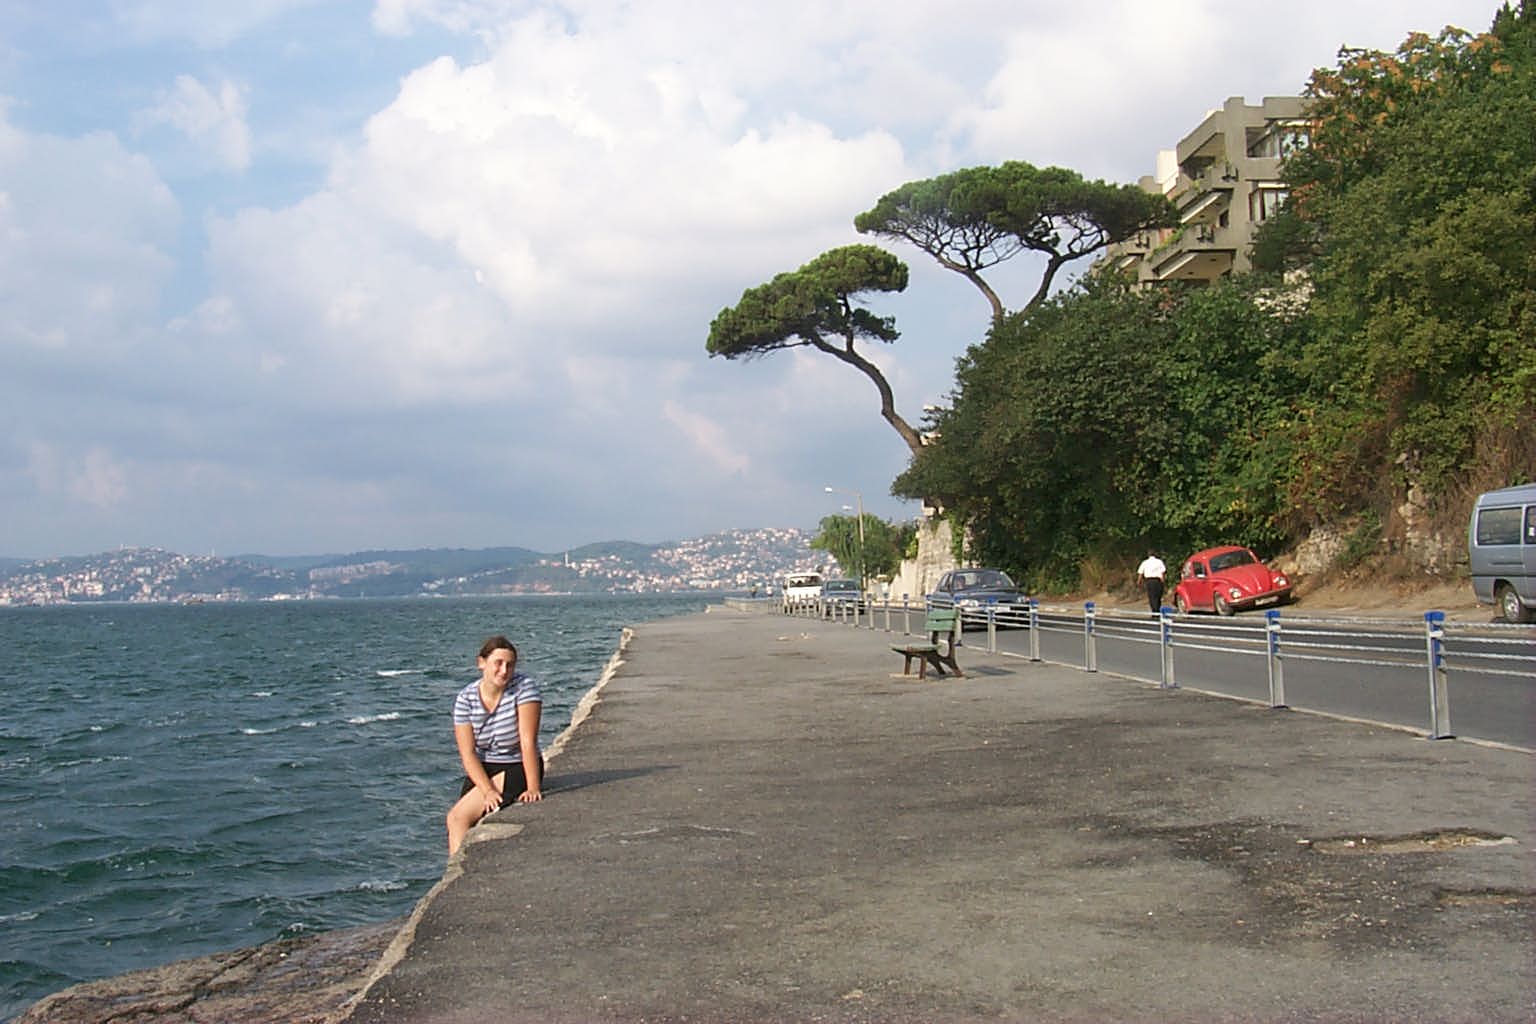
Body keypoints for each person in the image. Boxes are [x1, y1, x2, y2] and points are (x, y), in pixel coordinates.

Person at [446, 635, 543, 855]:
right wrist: (487, 790)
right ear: (481, 663)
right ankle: (456, 868)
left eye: (510, 665)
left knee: (457, 817)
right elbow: (468, 753)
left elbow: (528, 741)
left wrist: (533, 787)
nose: (504, 670)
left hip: (517, 765)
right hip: (484, 766)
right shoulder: (466, 698)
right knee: (459, 821)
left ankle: (463, 872)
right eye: (498, 663)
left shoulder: (524, 688)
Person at [1136, 550, 1168, 614]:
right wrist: (1163, 581)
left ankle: (1154, 611)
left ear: (1148, 555)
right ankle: (1157, 610)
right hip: (1158, 580)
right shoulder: (1159, 562)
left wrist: (1138, 581)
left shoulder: (1145, 562)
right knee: (1158, 596)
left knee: (1152, 596)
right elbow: (1162, 572)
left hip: (1149, 581)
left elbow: (1140, 573)